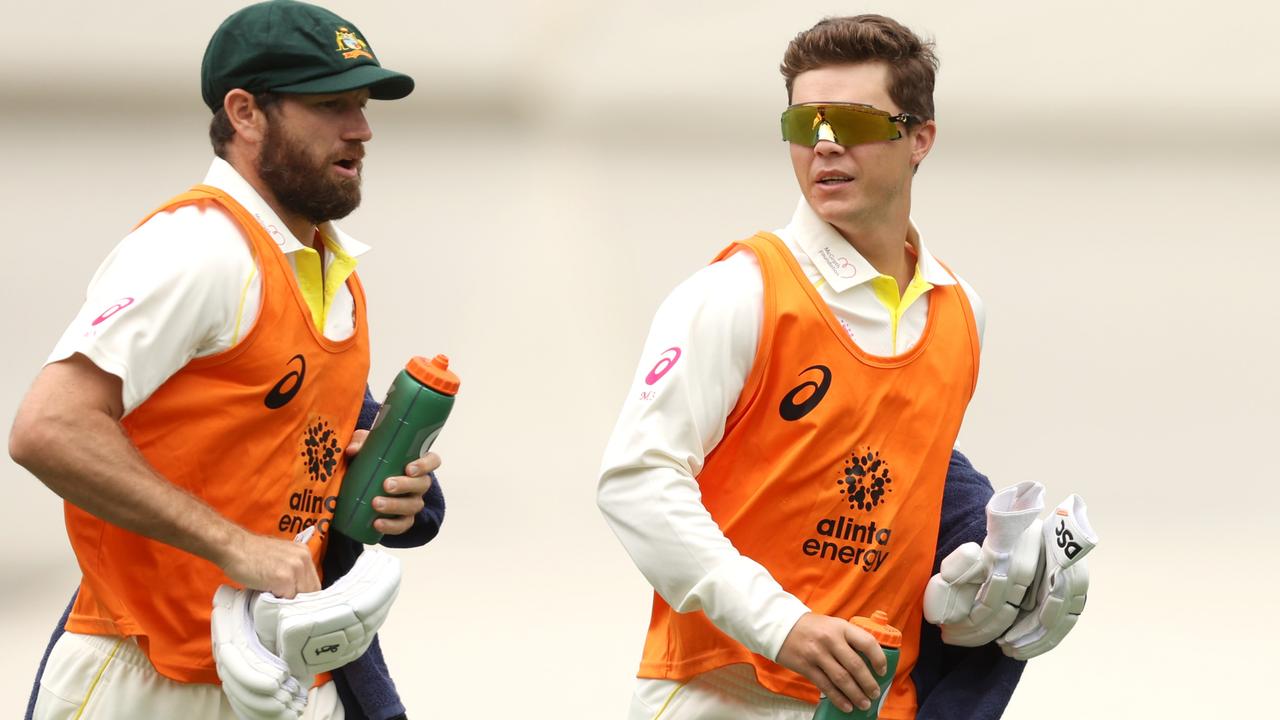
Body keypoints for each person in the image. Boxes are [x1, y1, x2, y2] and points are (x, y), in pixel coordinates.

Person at [9, 2, 439, 718]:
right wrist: (235, 546)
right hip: (146, 677)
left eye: (362, 106)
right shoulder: (199, 249)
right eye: (331, 104)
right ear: (244, 112)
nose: (361, 130)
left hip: (285, 675)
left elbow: (293, 449)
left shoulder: (331, 271)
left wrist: (394, 490)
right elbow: (48, 428)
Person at [597, 15, 1026, 720]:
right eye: (805, 124)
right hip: (723, 694)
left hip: (879, 704)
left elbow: (905, 484)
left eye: (852, 121)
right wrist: (783, 625)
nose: (824, 145)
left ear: (920, 138)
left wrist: (1006, 564)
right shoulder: (736, 292)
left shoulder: (960, 312)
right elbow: (635, 483)